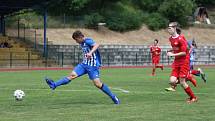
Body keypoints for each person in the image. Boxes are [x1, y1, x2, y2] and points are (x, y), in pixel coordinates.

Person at [45, 30, 120, 104]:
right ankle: (54, 84)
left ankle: (113, 97)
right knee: (72, 75)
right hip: (84, 65)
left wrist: (90, 53)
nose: (76, 42)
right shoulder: (82, 43)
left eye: (76, 39)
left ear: (80, 37)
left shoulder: (88, 41)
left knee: (98, 84)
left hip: (92, 66)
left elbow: (96, 45)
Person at [165, 22, 197, 103]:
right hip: (177, 62)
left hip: (184, 61)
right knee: (172, 81)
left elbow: (184, 52)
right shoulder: (171, 38)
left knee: (182, 82)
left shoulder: (181, 39)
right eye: (168, 28)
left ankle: (193, 97)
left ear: (175, 28)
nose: (168, 29)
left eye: (170, 28)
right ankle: (188, 77)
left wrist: (172, 54)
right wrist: (171, 50)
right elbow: (176, 48)